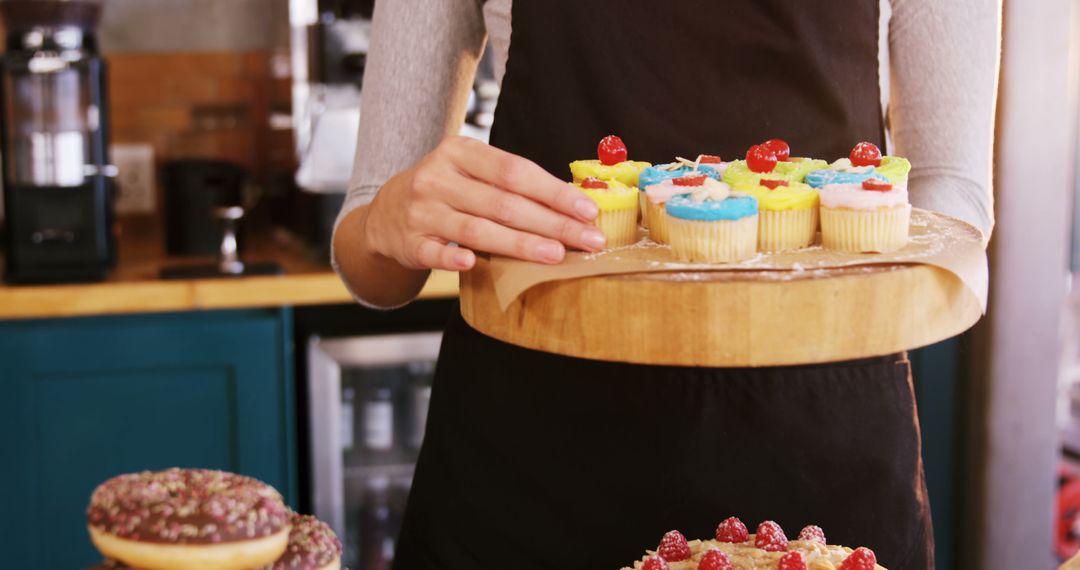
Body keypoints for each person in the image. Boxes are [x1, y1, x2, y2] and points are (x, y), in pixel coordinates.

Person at [332, 1, 999, 569]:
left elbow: (955, 190)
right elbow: (373, 265)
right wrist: (389, 220)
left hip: (817, 444)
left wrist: (863, 234)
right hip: (531, 449)